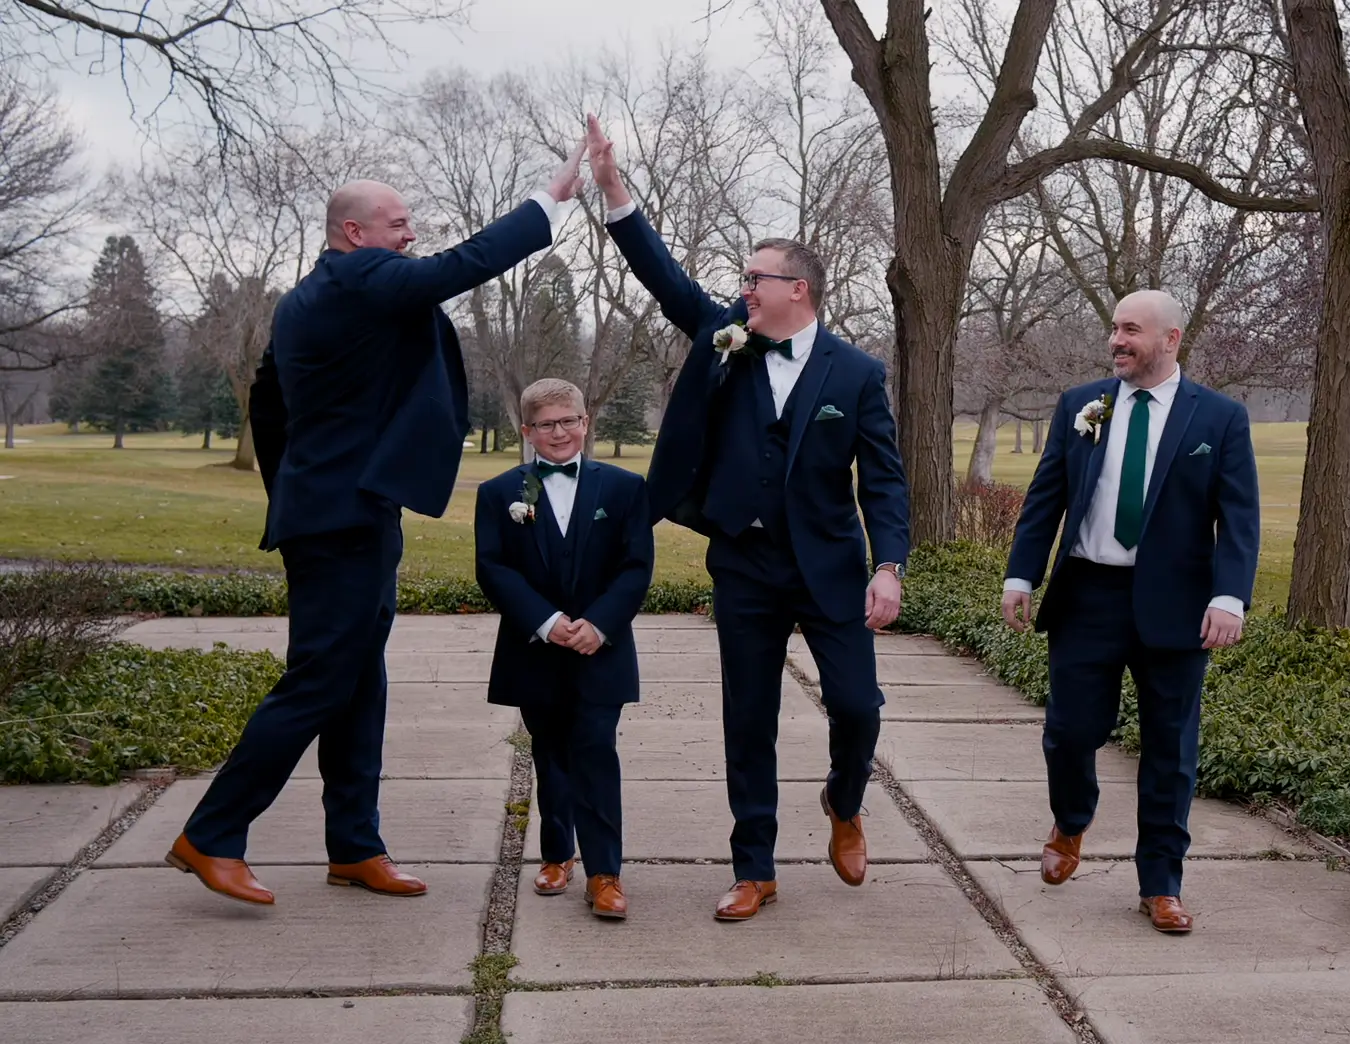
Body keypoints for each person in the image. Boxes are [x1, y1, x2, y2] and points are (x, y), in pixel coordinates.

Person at [165, 144, 589, 906]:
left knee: (361, 681)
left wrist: (295, 487)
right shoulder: (356, 278)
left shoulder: (305, 300)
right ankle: (212, 834)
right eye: (397, 224)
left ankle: (354, 845)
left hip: (339, 508)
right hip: (340, 521)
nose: (410, 235)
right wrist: (548, 201)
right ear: (355, 234)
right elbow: (454, 268)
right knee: (321, 679)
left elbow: (269, 401)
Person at [586, 115, 910, 922]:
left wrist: (888, 563)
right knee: (748, 721)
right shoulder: (725, 340)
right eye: (743, 276)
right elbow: (660, 277)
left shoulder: (858, 373)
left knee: (859, 707)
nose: (744, 285)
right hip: (745, 564)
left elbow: (885, 478)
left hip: (830, 565)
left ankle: (843, 802)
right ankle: (754, 867)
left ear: (797, 287)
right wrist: (615, 192)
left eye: (756, 275)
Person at [1001, 289, 1260, 934]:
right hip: (1088, 595)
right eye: (1114, 328)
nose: (1116, 340)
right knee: (1068, 731)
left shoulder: (1219, 419)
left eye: (1131, 331)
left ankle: (1161, 883)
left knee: (1170, 748)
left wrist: (1229, 597)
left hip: (1176, 607)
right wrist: (1021, 574)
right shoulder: (1081, 406)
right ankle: (1071, 819)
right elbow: (1046, 498)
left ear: (1171, 339)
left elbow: (1240, 518)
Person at [474, 378, 653, 921]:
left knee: (595, 748)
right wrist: (546, 622)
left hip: (601, 646)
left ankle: (605, 873)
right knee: (550, 752)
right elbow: (494, 568)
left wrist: (598, 624)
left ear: (585, 422)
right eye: (547, 424)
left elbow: (635, 565)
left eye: (569, 420)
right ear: (527, 431)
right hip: (536, 647)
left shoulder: (623, 488)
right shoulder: (500, 492)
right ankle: (556, 853)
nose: (560, 432)